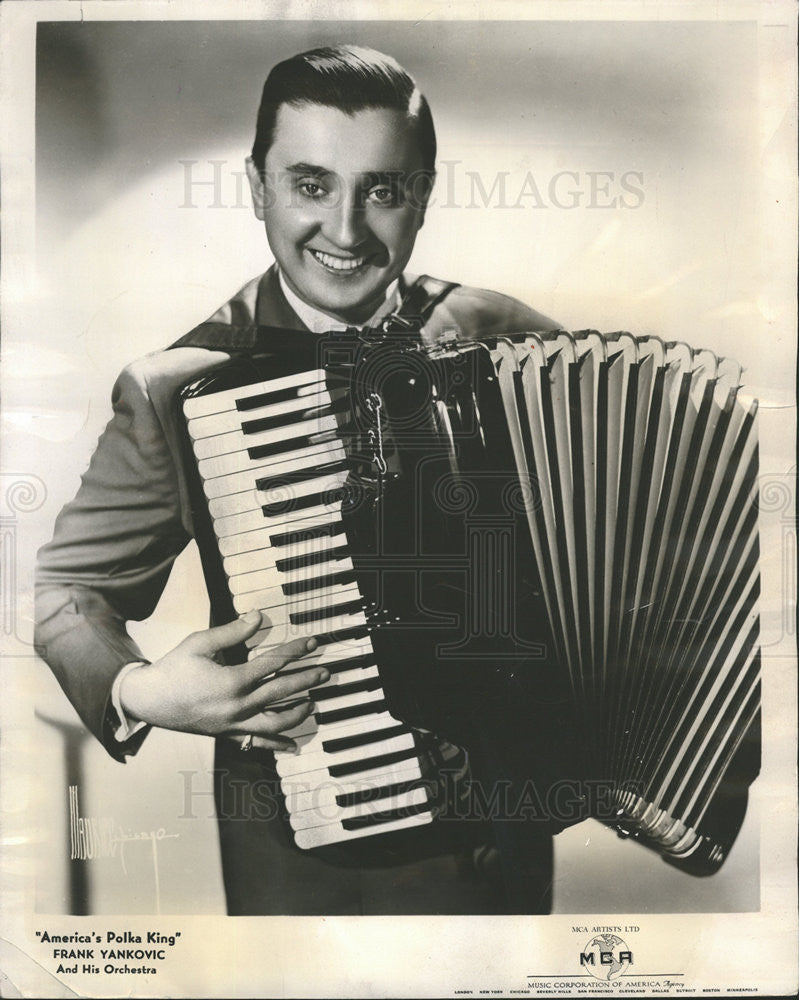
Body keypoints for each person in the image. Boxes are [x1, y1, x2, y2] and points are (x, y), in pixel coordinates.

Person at [35, 44, 561, 915]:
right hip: (322, 859)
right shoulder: (184, 389)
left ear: (422, 196)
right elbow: (59, 587)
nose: (347, 231)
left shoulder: (495, 332)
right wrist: (140, 688)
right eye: (311, 185)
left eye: (382, 190)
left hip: (507, 838)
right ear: (258, 188)